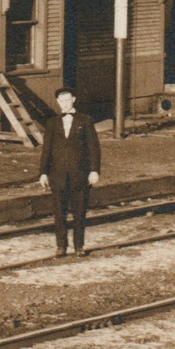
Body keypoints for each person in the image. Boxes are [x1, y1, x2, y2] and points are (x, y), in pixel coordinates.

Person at [36, 86, 101, 257]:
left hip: (79, 175)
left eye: (67, 100)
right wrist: (43, 173)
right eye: (61, 101)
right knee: (59, 213)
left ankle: (79, 246)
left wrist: (94, 171)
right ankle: (61, 246)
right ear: (57, 102)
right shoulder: (52, 123)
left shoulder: (85, 121)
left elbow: (93, 148)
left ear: (73, 100)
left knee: (79, 213)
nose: (64, 104)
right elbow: (47, 150)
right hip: (57, 176)